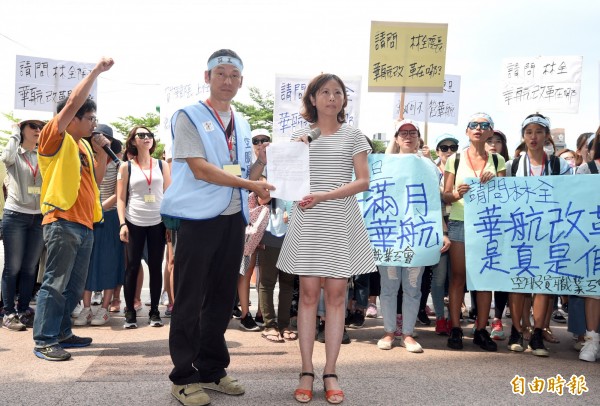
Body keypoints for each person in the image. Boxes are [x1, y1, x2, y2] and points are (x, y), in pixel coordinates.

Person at [161, 49, 272, 406]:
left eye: (234, 75)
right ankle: (183, 376)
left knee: (222, 298)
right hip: (197, 218)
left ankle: (212, 369)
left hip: (231, 219)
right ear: (207, 76)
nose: (228, 81)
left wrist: (261, 166)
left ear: (242, 81)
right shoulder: (188, 115)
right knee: (190, 298)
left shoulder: (240, 121)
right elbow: (199, 169)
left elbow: (242, 175)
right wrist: (251, 185)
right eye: (220, 73)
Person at [276, 73, 376, 404]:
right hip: (308, 217)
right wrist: (294, 152)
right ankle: (306, 369)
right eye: (324, 92)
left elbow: (363, 181)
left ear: (344, 100)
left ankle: (330, 371)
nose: (331, 97)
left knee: (336, 295)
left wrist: (324, 195)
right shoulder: (299, 135)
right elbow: (284, 176)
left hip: (338, 217)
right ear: (313, 99)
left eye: (337, 92)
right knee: (307, 294)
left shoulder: (354, 136)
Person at [32, 57, 114, 361]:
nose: (94, 123)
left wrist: (101, 152)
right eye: (90, 118)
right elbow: (74, 102)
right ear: (73, 118)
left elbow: (97, 178)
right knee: (54, 284)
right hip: (61, 221)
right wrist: (95, 73)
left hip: (85, 225)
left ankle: (63, 332)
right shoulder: (54, 136)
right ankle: (44, 340)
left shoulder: (81, 146)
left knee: (73, 285)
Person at [377, 121, 451, 353]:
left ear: (419, 137)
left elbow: (433, 202)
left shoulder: (428, 166)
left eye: (412, 133)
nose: (408, 137)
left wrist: (443, 231)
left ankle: (407, 333)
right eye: (403, 133)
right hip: (389, 233)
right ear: (396, 138)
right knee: (389, 286)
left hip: (417, 232)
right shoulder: (384, 164)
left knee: (412, 286)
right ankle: (390, 331)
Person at [505, 113, 571, 357]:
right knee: (519, 282)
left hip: (549, 230)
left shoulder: (559, 165)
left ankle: (537, 334)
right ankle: (516, 330)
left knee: (544, 283)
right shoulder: (512, 165)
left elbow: (569, 196)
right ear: (523, 136)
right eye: (529, 132)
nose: (534, 137)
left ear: (547, 136)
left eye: (539, 132)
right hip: (519, 230)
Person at [442, 112, 506, 352]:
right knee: (458, 276)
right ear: (467, 131)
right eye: (473, 125)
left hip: (489, 224)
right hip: (460, 220)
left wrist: (495, 182)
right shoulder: (455, 159)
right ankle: (456, 328)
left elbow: (505, 196)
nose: (478, 129)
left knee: (484, 278)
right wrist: (457, 193)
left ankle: (481, 329)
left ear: (491, 131)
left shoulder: (498, 161)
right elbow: (446, 195)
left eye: (484, 125)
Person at [117, 126, 171, 329]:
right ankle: (130, 311)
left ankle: (154, 311)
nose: (146, 138)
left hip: (158, 222)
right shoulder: (126, 167)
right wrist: (122, 223)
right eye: (141, 135)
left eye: (149, 135)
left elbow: (169, 194)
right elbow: (121, 199)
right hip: (133, 221)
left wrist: (169, 223)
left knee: (155, 267)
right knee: (131, 267)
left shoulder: (162, 165)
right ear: (133, 141)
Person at [73, 125, 125, 327]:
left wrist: (99, 209)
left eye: (104, 139)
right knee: (87, 263)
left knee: (109, 262)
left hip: (108, 217)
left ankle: (104, 308)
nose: (99, 142)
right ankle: (86, 308)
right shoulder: (83, 158)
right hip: (86, 216)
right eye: (95, 138)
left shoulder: (118, 163)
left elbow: (119, 194)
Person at [1, 119, 45, 331]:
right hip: (15, 215)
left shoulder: (43, 155)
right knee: (13, 267)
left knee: (30, 268)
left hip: (39, 217)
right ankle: (8, 313)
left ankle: (24, 309)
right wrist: (13, 134)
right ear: (22, 130)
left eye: (40, 127)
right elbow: (5, 157)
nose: (37, 130)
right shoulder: (15, 153)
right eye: (32, 127)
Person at [431, 133, 459, 335]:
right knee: (439, 277)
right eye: (444, 147)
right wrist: (442, 230)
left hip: (460, 224)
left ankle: (454, 318)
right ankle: (440, 317)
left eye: (453, 147)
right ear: (437, 150)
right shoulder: (430, 170)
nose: (448, 151)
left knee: (456, 276)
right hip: (437, 227)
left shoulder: (464, 168)